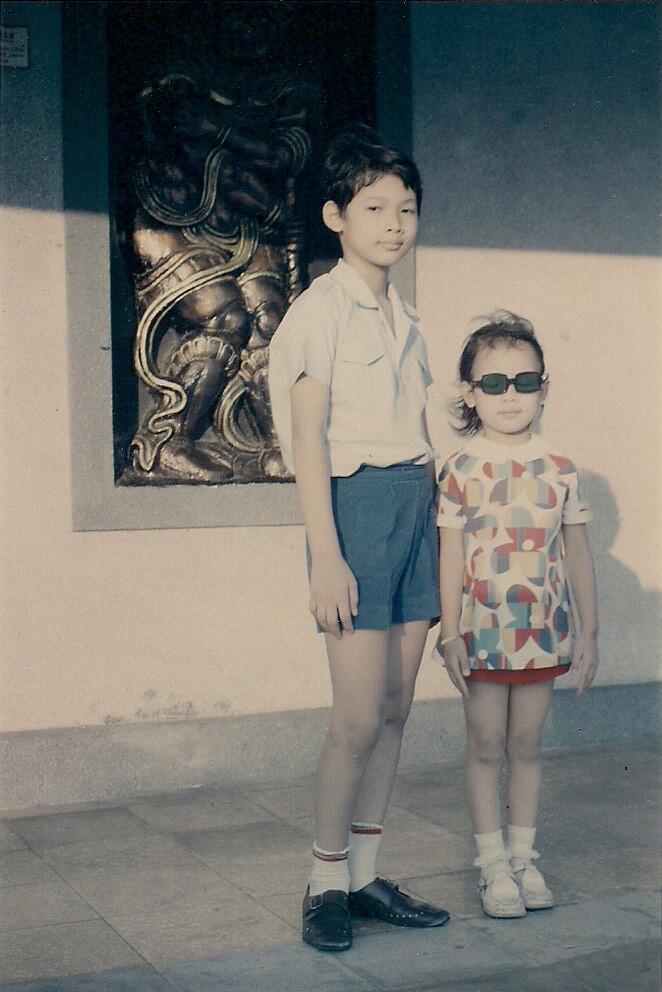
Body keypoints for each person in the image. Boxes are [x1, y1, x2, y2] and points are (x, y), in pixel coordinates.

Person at [268, 127, 449, 952]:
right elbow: (308, 443)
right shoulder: (318, 312)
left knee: (397, 705)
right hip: (354, 513)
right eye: (375, 207)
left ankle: (368, 874)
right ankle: (324, 880)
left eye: (406, 209)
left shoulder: (402, 312)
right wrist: (327, 555)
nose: (394, 223)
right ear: (336, 215)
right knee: (354, 716)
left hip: (415, 505)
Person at [435, 312, 599, 919]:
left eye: (525, 383)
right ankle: (491, 866)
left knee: (527, 744)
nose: (511, 397)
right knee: (484, 744)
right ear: (469, 393)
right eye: (495, 383)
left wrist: (589, 632)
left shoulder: (559, 468)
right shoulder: (460, 468)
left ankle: (524, 859)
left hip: (544, 632)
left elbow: (577, 551)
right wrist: (450, 632)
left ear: (544, 389)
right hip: (481, 632)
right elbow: (450, 554)